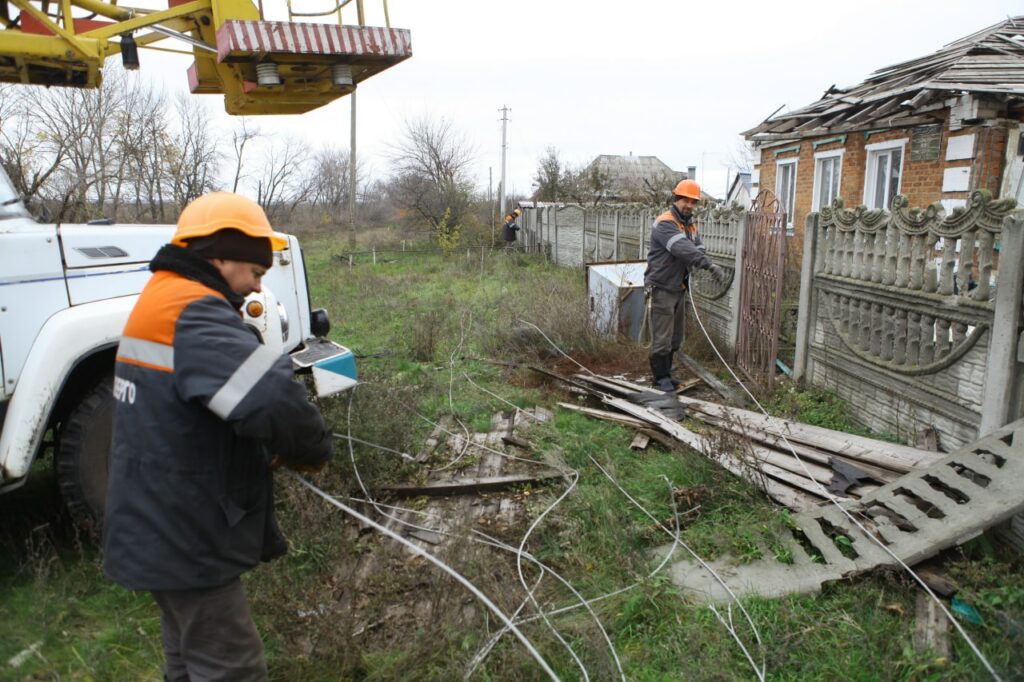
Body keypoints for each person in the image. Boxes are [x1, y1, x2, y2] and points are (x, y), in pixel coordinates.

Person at [103, 192, 333, 681]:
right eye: (255, 273)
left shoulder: (161, 296)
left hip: (156, 518)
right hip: (185, 533)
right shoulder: (193, 312)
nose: (254, 287)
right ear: (220, 255)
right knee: (231, 667)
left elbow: (193, 410)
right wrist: (310, 450)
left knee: (187, 660)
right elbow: (272, 398)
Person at [643, 179, 726, 392]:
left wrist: (702, 258)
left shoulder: (689, 224)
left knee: (675, 337)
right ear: (675, 199)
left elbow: (698, 247)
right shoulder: (665, 223)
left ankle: (667, 374)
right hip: (662, 288)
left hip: (679, 287)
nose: (688, 205)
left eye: (693, 202)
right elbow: (683, 249)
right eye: (685, 200)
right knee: (662, 337)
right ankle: (659, 378)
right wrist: (708, 265)